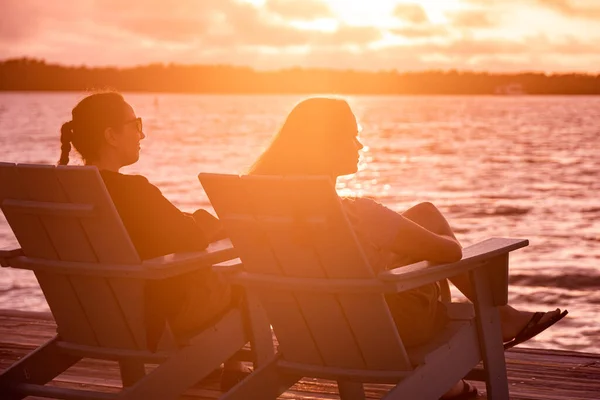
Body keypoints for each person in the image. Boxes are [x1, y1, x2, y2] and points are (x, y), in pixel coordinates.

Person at [248, 97, 568, 399]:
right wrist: (397, 245)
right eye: (351, 136)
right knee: (431, 240)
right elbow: (450, 253)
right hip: (385, 333)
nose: (360, 144)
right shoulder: (361, 214)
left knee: (423, 214)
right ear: (324, 147)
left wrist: (385, 251)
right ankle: (498, 321)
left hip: (310, 329)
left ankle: (460, 372)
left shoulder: (264, 209)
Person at [57, 91, 244, 389]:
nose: (142, 134)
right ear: (111, 135)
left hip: (89, 315)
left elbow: (163, 230)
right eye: (135, 125)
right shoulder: (132, 191)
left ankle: (207, 366)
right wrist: (210, 225)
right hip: (148, 317)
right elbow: (192, 237)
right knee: (252, 285)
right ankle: (235, 374)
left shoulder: (65, 193)